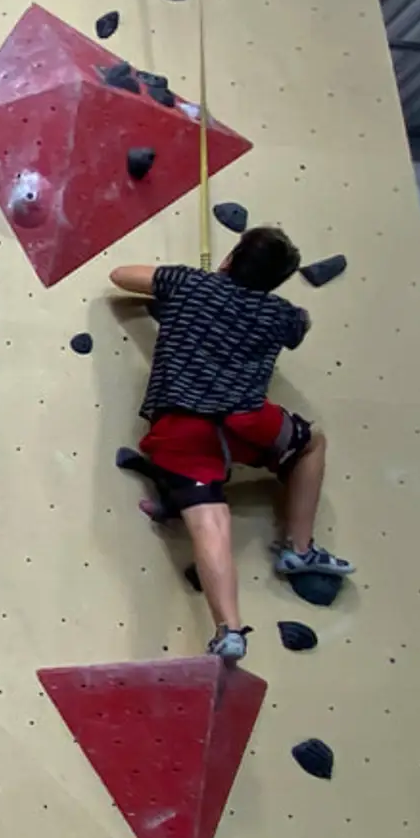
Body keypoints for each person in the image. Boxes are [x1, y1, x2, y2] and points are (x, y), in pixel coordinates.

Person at [109, 226, 352, 662]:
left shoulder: (189, 283)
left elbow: (121, 275)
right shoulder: (280, 314)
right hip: (248, 423)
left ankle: (231, 630)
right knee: (311, 443)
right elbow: (302, 324)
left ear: (230, 258)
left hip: (182, 429)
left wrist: (192, 290)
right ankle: (298, 549)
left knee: (210, 522)